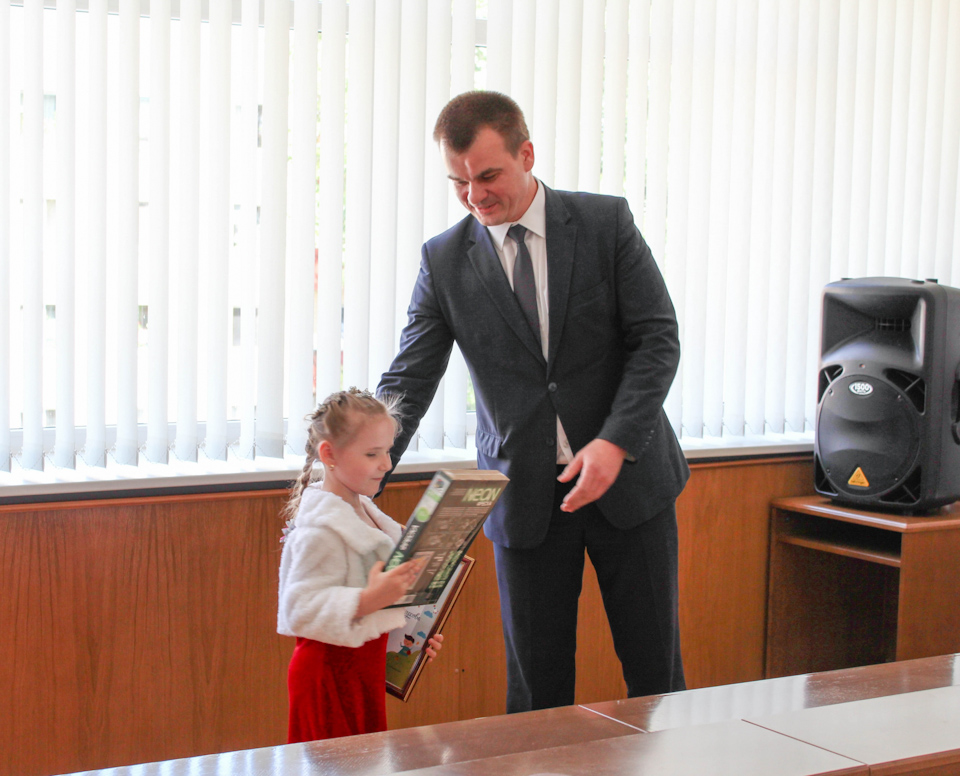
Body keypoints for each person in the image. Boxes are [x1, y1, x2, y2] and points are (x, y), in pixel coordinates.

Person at [378, 91, 689, 713]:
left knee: (656, 676)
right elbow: (409, 378)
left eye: (488, 176)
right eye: (458, 182)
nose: (475, 196)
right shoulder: (444, 259)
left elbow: (657, 338)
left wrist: (614, 441)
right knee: (536, 698)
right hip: (524, 499)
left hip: (629, 484)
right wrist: (359, 472)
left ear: (527, 154)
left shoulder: (604, 223)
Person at [277, 388, 442, 742]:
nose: (386, 464)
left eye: (387, 451)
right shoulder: (319, 529)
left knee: (367, 762)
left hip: (362, 674)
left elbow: (375, 608)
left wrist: (411, 638)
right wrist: (370, 599)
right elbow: (299, 609)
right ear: (329, 454)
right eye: (372, 454)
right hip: (328, 679)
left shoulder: (367, 514)